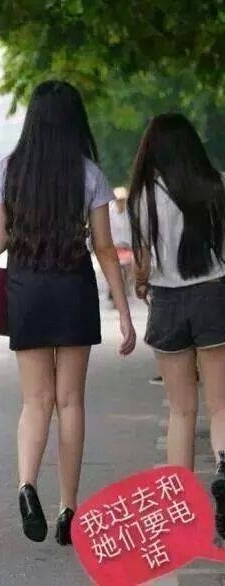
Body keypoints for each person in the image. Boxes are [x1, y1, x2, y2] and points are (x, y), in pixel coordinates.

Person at [0, 81, 136, 545]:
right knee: (70, 401)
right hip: (72, 289)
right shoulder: (88, 173)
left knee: (36, 400)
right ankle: (68, 510)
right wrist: (124, 312)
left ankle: (26, 485)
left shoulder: (9, 170)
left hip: (27, 291)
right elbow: (105, 248)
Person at [128, 113, 225, 539]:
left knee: (181, 411)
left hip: (168, 302)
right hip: (214, 297)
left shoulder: (142, 198)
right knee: (221, 406)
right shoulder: (218, 186)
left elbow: (142, 263)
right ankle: (223, 467)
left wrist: (142, 281)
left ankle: (180, 513)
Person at [108, 187, 133, 303]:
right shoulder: (110, 211)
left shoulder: (130, 212)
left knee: (128, 271)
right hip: (114, 247)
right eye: (118, 200)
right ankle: (114, 291)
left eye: (122, 200)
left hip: (127, 247)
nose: (120, 202)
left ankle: (123, 288)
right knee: (115, 272)